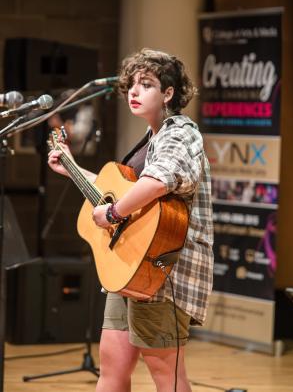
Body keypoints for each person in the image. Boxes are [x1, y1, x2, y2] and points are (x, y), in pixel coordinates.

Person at [48, 48, 214, 392]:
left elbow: (158, 181)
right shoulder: (150, 138)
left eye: (147, 84)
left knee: (166, 374)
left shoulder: (181, 132)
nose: (134, 92)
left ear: (168, 93)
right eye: (132, 84)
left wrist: (111, 213)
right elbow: (120, 193)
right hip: (129, 269)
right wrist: (72, 169)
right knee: (111, 367)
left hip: (162, 272)